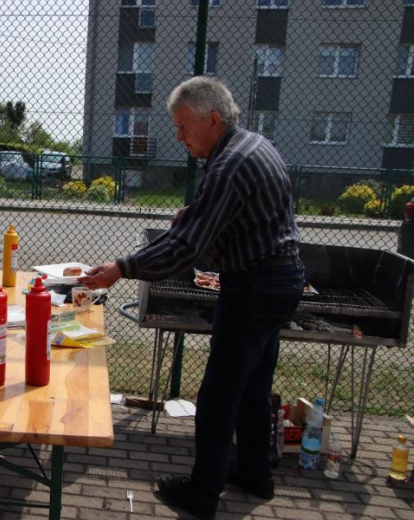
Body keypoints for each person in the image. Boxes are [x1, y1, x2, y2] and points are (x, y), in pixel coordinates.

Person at [79, 76, 304, 520]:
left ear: (213, 119)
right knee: (254, 389)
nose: (178, 135)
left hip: (254, 286)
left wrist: (122, 268)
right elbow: (228, 221)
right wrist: (196, 216)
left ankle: (202, 495)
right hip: (282, 279)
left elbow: (186, 248)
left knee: (219, 395)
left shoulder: (230, 165)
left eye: (183, 125)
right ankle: (257, 475)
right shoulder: (254, 145)